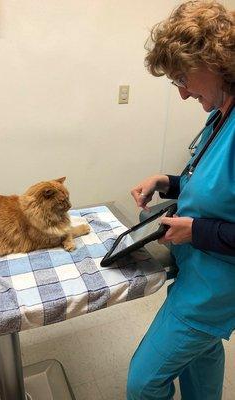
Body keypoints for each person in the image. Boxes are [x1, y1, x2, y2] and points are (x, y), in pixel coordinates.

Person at [127, 1, 235, 399]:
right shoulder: (221, 114)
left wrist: (198, 232)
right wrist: (168, 182)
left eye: (183, 79)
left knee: (143, 383)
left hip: (218, 285)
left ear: (216, 60)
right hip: (195, 269)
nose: (184, 93)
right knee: (202, 352)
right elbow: (218, 187)